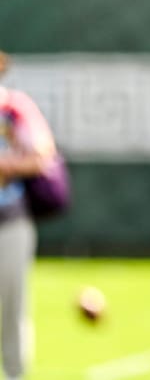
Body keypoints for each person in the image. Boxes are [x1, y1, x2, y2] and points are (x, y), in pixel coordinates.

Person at [0, 51, 57, 380]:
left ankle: (14, 375)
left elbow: (41, 154)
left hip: (9, 222)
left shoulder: (13, 108)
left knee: (11, 308)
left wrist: (5, 165)